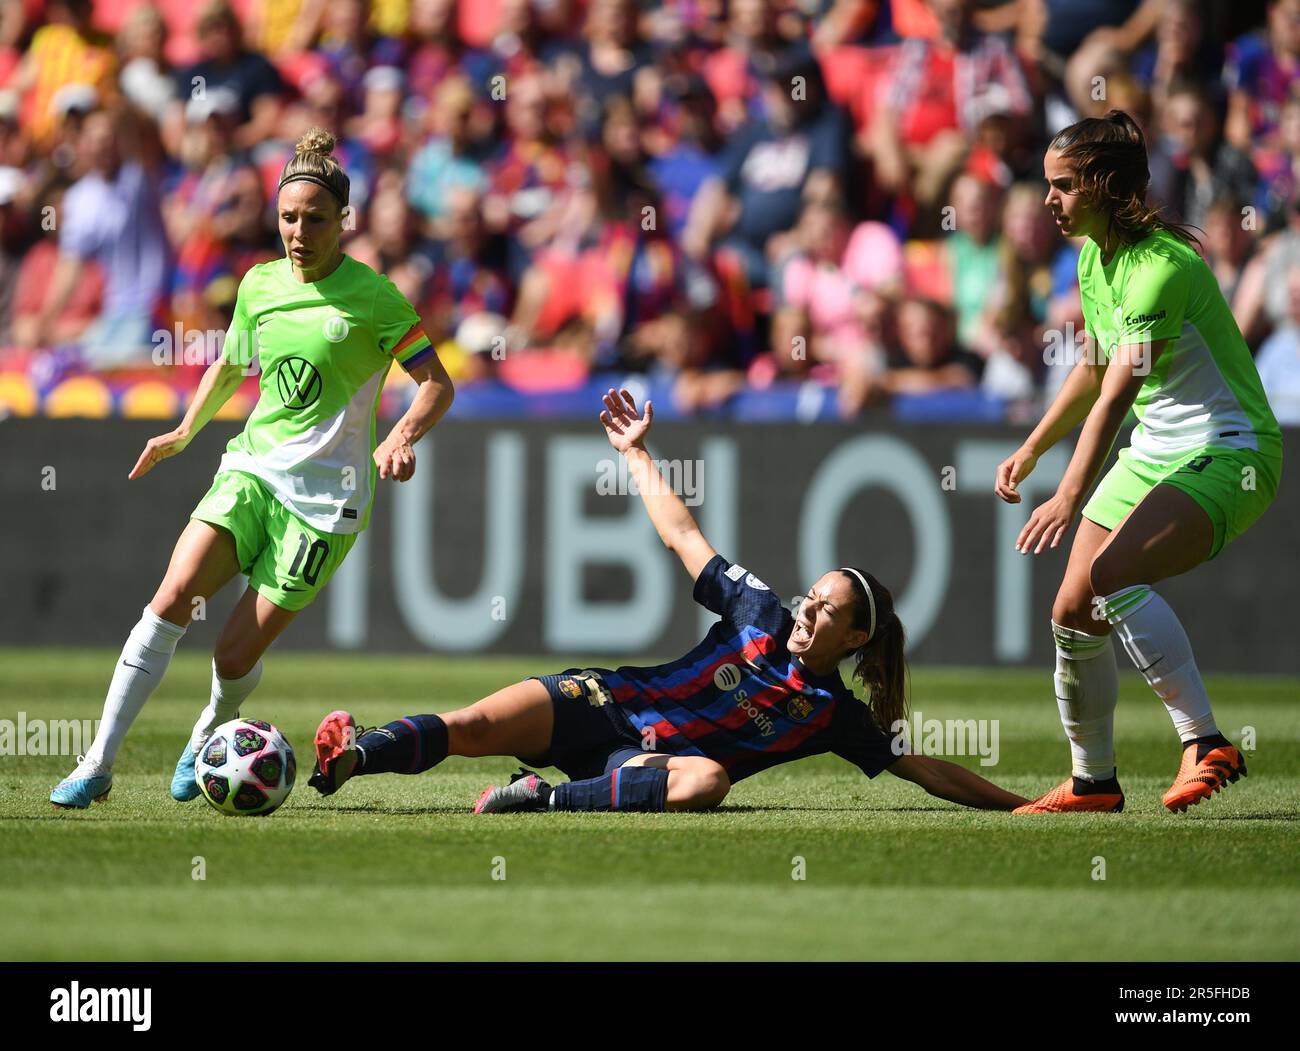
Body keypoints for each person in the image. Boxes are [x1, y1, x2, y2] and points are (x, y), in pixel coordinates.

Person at [306, 388, 1029, 815]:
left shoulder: (831, 717)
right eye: (811, 597)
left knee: (707, 780)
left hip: (640, 762)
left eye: (825, 610)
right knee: (471, 724)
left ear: (857, 637)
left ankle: (543, 798)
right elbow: (684, 535)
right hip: (604, 697)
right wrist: (635, 454)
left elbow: (927, 769)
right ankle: (352, 757)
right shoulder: (757, 611)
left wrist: (1020, 805)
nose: (806, 610)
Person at [50, 128, 456, 808]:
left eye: (315, 219)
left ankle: (209, 728)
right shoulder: (259, 284)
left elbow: (438, 382)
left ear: (343, 221)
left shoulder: (375, 297)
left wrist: (402, 436)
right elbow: (232, 363)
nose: (299, 231)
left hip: (325, 503)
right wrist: (184, 430)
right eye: (289, 218)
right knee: (173, 593)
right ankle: (97, 762)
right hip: (253, 472)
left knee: (231, 657)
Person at [995, 110, 1283, 815]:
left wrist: (1068, 492)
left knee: (1111, 575)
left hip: (1229, 448)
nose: (1049, 201)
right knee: (1072, 609)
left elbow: (1119, 392)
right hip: (1158, 447)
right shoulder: (1095, 258)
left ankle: (1204, 739)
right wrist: (1033, 446)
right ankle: (1094, 781)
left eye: (1062, 186)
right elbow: (1093, 370)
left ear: (1099, 185)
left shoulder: (1161, 271)